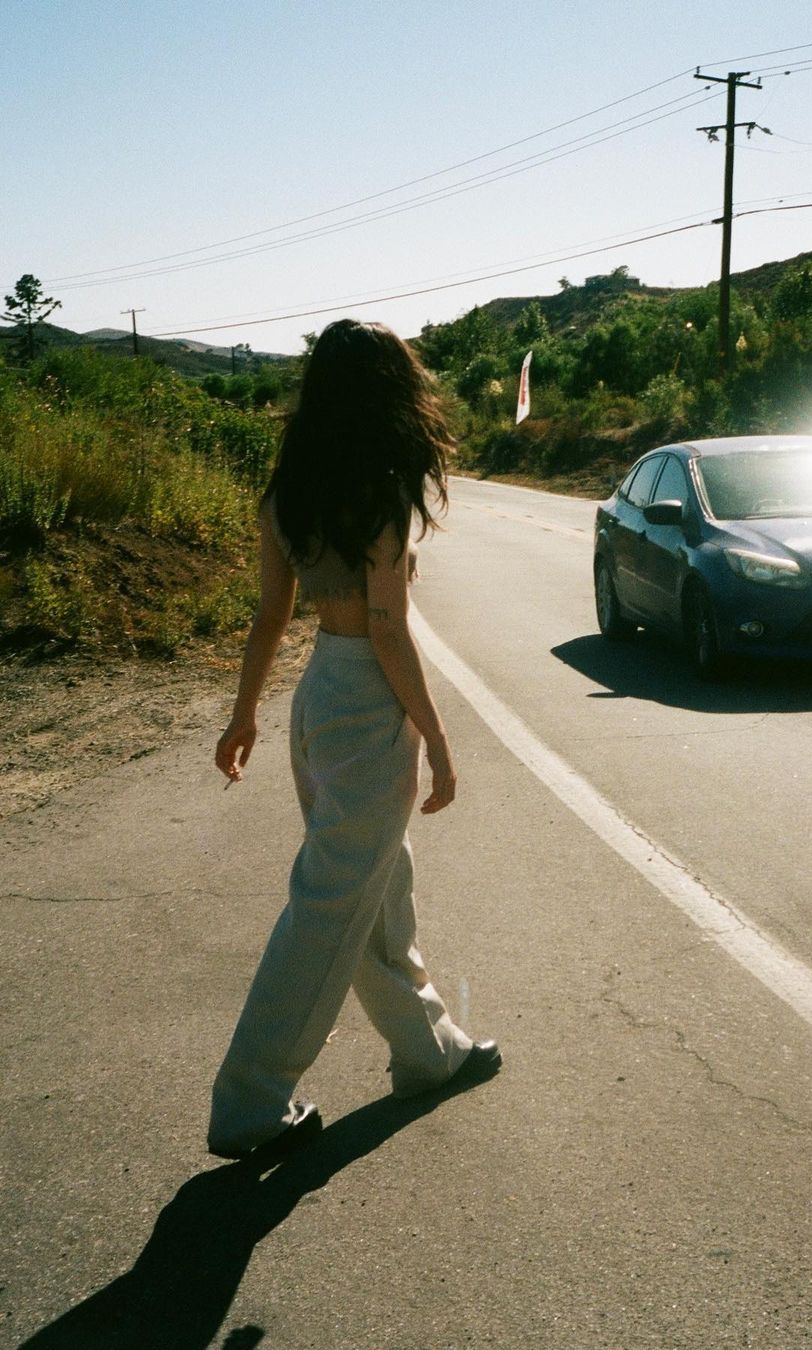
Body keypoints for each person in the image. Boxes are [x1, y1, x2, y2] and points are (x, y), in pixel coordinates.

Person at [207, 319, 500, 1161]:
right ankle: (250, 1101)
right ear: (390, 394)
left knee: (376, 884)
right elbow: (387, 627)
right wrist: (436, 736)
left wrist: (246, 714)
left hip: (317, 698)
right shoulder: (380, 491)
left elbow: (271, 614)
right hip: (368, 702)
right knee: (329, 904)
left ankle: (429, 1049)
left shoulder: (287, 490)